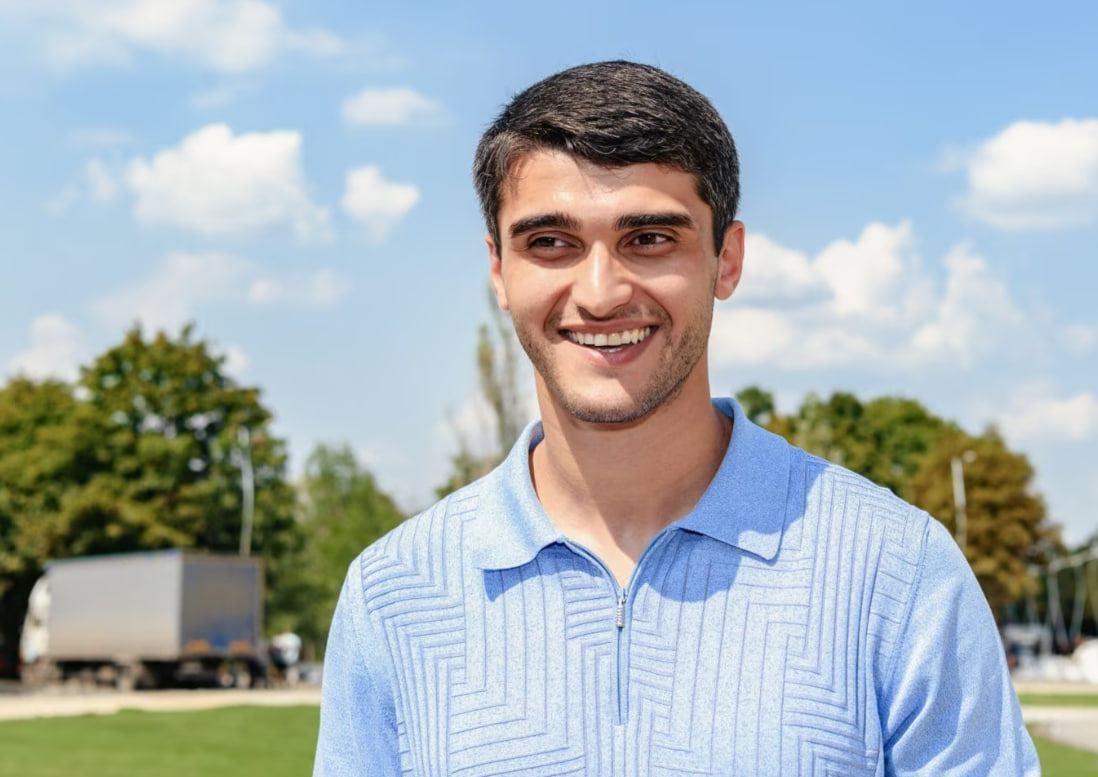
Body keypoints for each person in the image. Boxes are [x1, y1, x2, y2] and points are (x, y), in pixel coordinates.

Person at [314, 61, 1038, 776]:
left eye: (650, 239)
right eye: (550, 243)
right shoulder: (394, 592)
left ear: (728, 259)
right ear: (499, 271)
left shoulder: (896, 570)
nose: (600, 293)